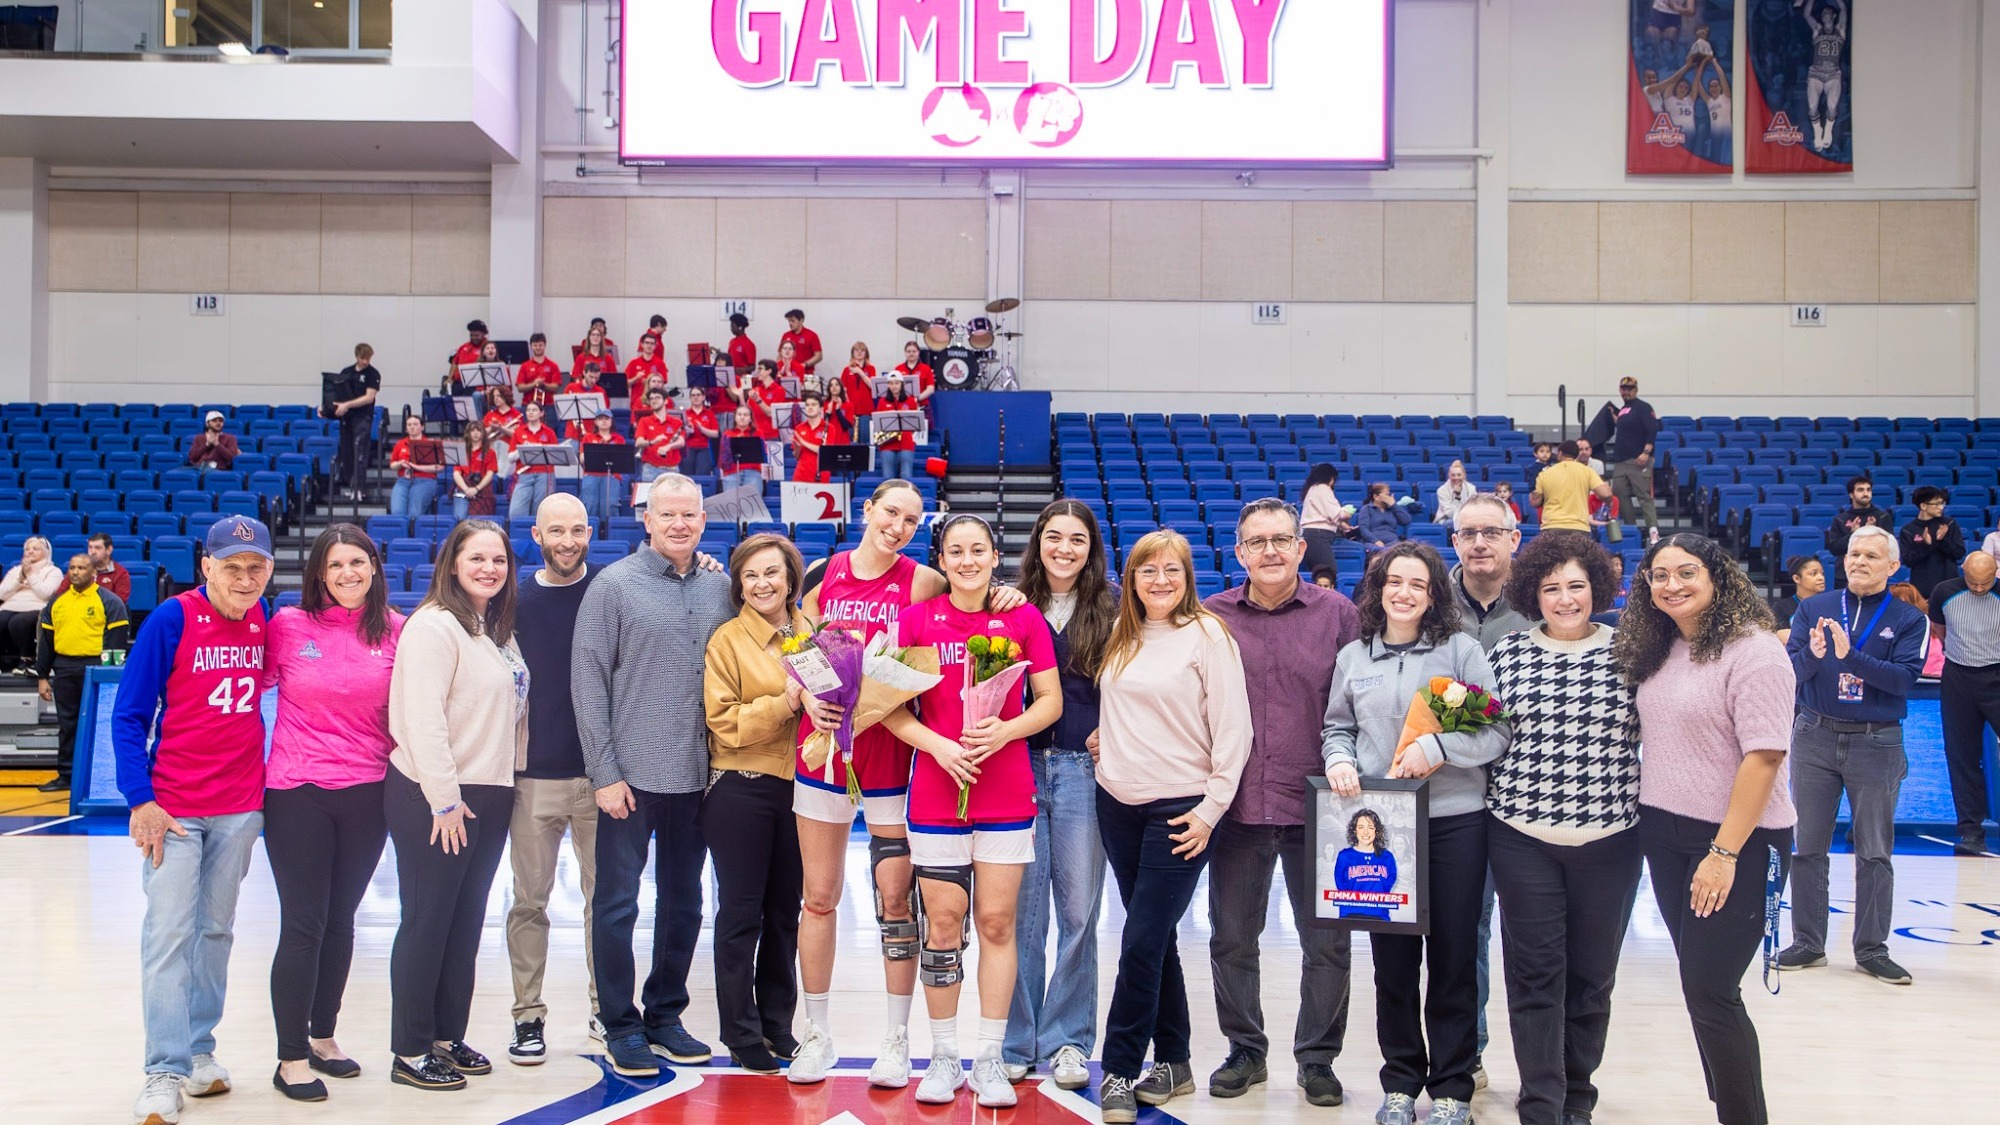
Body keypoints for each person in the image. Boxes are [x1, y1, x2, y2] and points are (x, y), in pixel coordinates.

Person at [1320, 542, 1511, 1125]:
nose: (1404, 593)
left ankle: (1453, 1086)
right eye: (1393, 582)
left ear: (1434, 595)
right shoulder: (1356, 656)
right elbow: (1338, 727)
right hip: (1384, 832)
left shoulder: (1457, 651)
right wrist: (1338, 759)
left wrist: (1439, 745)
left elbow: (1496, 731)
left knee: (1454, 957)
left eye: (1417, 584)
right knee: (1393, 963)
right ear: (1378, 590)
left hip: (1455, 824)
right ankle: (1401, 1082)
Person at [1612, 533, 1795, 1125]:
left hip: (1738, 840)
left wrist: (1723, 852)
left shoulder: (1756, 651)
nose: (1672, 585)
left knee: (1714, 991)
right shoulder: (1659, 646)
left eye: (1686, 572)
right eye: (1658, 575)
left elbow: (1764, 757)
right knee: (1699, 989)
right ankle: (1727, 1102)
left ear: (1718, 577)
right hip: (1663, 832)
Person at [882, 515, 1062, 1108]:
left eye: (977, 550)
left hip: (1005, 788)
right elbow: (890, 709)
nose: (966, 560)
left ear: (993, 556)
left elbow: (1051, 703)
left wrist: (1004, 730)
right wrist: (939, 746)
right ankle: (942, 1056)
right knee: (941, 923)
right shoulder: (915, 620)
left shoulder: (1021, 617)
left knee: (996, 923)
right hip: (936, 789)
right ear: (943, 558)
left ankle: (989, 1056)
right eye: (955, 551)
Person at [788, 480, 962, 1089]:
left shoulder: (923, 581)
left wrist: (1007, 593)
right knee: (818, 896)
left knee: (895, 901)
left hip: (890, 759)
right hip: (824, 756)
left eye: (912, 520)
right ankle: (816, 1033)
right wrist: (808, 696)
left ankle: (896, 1038)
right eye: (891, 512)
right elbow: (796, 656)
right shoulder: (822, 571)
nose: (899, 525)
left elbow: (968, 612)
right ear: (866, 510)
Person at [113, 516, 275, 1125]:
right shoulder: (171, 620)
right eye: (231, 566)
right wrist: (140, 799)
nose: (244, 578)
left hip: (239, 807)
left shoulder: (264, 621)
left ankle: (199, 1052)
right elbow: (129, 716)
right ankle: (162, 1070)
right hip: (174, 810)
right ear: (206, 566)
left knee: (215, 934)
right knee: (168, 937)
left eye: (254, 567)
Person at [1202, 498, 1362, 1107]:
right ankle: (1246, 1048)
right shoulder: (1211, 616)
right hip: (1237, 804)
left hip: (1321, 807)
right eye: (1256, 541)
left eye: (1281, 540)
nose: (1270, 551)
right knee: (1231, 938)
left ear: (1301, 547)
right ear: (1239, 552)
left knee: (1327, 944)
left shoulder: (1338, 614)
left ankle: (1317, 1058)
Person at [575, 473, 734, 1077]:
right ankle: (620, 1024)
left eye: (689, 515)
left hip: (698, 777)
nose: (679, 525)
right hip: (630, 779)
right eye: (667, 515)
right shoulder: (613, 586)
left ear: (701, 519)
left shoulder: (721, 587)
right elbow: (588, 680)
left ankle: (665, 1013)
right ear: (647, 519)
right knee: (616, 905)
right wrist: (604, 773)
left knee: (685, 902)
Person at [1091, 529, 1252, 1125]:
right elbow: (1124, 705)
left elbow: (1235, 731)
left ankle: (1120, 1070)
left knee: (1138, 942)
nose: (1159, 581)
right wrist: (1108, 739)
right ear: (1131, 579)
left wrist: (1211, 810)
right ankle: (1177, 1060)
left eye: (1172, 571)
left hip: (1180, 809)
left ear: (1188, 579)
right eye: (1147, 571)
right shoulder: (1122, 633)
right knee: (1152, 938)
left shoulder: (1208, 635)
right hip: (1117, 802)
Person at [1486, 534, 1642, 1125]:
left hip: (1611, 838)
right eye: (1551, 588)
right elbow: (1488, 734)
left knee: (1592, 977)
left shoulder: (1632, 649)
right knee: (1534, 974)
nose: (1565, 598)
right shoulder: (1508, 652)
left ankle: (1578, 1094)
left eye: (1576, 585)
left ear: (1596, 588)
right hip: (1521, 835)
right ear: (1533, 593)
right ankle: (1541, 1101)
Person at [260, 526, 404, 1102]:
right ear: (319, 573)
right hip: (299, 791)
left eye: (357, 562)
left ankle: (323, 1037)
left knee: (341, 920)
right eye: (335, 564)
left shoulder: (398, 629)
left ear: (374, 567)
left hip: (369, 794)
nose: (347, 573)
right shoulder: (289, 627)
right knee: (303, 923)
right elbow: (246, 689)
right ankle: (290, 1058)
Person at [384, 520, 527, 1092]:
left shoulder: (495, 629)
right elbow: (422, 720)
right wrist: (443, 800)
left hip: (490, 793)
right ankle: (411, 1049)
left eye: (498, 559)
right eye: (477, 558)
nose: (489, 568)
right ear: (452, 563)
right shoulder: (434, 627)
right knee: (427, 920)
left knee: (464, 924)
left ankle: (446, 1034)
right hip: (437, 796)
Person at [1779, 526, 1927, 986]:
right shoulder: (1814, 608)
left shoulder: (1907, 619)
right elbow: (1789, 674)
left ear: (1892, 567)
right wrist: (1814, 656)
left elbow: (1904, 680)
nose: (1858, 560)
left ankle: (1871, 949)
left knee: (1875, 851)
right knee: (1807, 846)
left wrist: (1850, 658)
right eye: (1853, 553)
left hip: (1876, 740)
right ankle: (1807, 942)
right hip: (1814, 735)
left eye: (1870, 555)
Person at [1004, 501, 1119, 1092]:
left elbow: (1136, 683)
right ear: (1038, 542)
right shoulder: (1010, 602)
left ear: (1091, 547)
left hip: (1082, 772)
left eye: (1077, 539)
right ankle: (1016, 1040)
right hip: (1017, 767)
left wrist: (1116, 727)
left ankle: (1069, 1041)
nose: (1065, 549)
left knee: (1079, 913)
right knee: (1022, 916)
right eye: (1054, 537)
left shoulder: (1115, 605)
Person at [702, 534, 812, 1074]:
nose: (763, 584)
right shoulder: (728, 640)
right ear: (739, 584)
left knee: (785, 915)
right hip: (741, 788)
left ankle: (778, 1024)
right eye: (751, 575)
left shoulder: (810, 634)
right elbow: (723, 722)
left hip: (801, 792)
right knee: (741, 915)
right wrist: (784, 702)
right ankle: (740, 1032)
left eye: (773, 573)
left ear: (791, 577)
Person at [506, 495, 604, 1065]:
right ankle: (527, 1018)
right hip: (531, 777)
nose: (566, 540)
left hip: (600, 778)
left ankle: (604, 1008)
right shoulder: (512, 596)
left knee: (605, 904)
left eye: (576, 530)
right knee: (528, 904)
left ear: (589, 532)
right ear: (538, 534)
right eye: (555, 531)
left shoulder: (611, 590)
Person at [1447, 494, 1529, 1085]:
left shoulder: (1544, 602)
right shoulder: (1427, 603)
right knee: (1466, 930)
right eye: (1468, 533)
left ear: (1513, 538)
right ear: (1455, 541)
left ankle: (1540, 1057)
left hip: (1529, 794)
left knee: (1531, 935)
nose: (1480, 543)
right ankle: (1469, 1051)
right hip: (1457, 797)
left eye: (1491, 532)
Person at [34, 553, 129, 792]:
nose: (76, 572)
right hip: (64, 668)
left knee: (102, 724)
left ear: (93, 572)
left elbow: (117, 640)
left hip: (96, 668)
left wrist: (110, 674)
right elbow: (45, 641)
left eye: (81, 568)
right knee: (67, 725)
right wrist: (42, 676)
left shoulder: (109, 601)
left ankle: (102, 778)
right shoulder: (57, 603)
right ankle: (66, 775)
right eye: (72, 568)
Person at [1931, 552, 2000, 855]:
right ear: (1963, 573)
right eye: (1973, 582)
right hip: (1958, 676)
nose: (1979, 588)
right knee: (1961, 756)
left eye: (1986, 583)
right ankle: (1971, 832)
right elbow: (1939, 630)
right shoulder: (1944, 592)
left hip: (1996, 673)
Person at [1607, 376, 1661, 545]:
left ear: (1636, 390)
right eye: (1624, 388)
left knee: (1643, 495)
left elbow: (1652, 430)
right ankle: (1632, 527)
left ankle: (1653, 531)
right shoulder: (1624, 410)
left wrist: (1646, 451)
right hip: (1621, 461)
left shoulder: (1643, 407)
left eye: (1630, 388)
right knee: (1619, 494)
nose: (1626, 391)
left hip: (1638, 460)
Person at [0, 536, 64, 674]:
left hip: (37, 606)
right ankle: (5, 660)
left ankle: (26, 658)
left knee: (18, 623)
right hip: (10, 605)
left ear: (46, 552)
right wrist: (20, 578)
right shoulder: (16, 570)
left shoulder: (53, 571)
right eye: (27, 549)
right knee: (2, 619)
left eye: (35, 549)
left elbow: (45, 594)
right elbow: (2, 593)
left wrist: (30, 576)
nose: (30, 551)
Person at [328, 344, 381, 502]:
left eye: (368, 358)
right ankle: (351, 485)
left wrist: (348, 405)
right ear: (356, 356)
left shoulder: (373, 373)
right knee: (346, 452)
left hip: (362, 417)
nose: (365, 361)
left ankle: (359, 488)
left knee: (360, 452)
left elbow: (369, 397)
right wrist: (328, 408)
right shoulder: (347, 372)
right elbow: (338, 394)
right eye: (362, 358)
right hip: (347, 418)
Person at [1530, 442, 1614, 536]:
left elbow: (1535, 502)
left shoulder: (1545, 473)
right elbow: (1605, 493)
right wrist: (1608, 502)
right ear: (1576, 455)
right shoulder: (1587, 471)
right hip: (1578, 527)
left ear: (1560, 453)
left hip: (1551, 526)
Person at [1898, 486, 1965, 601]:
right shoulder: (1908, 530)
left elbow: (1959, 553)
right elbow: (1908, 560)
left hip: (1949, 586)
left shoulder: (1949, 524)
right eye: (1937, 504)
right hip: (1922, 589)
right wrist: (1926, 545)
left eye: (1942, 503)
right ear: (1923, 506)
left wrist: (1941, 541)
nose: (1941, 507)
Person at [1331, 811, 1396, 920]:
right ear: (1354, 830)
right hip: (1350, 912)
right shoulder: (1344, 856)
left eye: (1370, 827)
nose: (1366, 832)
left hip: (1379, 913)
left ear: (1377, 831)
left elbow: (1391, 878)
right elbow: (1339, 881)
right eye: (1361, 827)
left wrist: (1379, 893)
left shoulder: (1387, 856)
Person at [507, 401, 560, 519]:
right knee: (516, 512)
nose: (530, 412)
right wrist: (523, 449)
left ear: (541, 413)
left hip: (545, 474)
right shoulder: (519, 431)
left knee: (541, 512)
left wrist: (537, 447)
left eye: (534, 410)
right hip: (524, 474)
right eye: (528, 410)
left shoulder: (549, 432)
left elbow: (556, 455)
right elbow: (510, 458)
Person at [579, 411, 629, 528]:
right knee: (589, 506)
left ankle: (611, 534)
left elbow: (623, 459)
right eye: (601, 419)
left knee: (611, 506)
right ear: (596, 422)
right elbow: (582, 459)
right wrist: (598, 449)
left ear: (611, 421)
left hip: (611, 476)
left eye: (607, 418)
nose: (604, 421)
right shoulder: (588, 437)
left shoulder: (619, 439)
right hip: (591, 475)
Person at [1299, 464, 1350, 575]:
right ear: (1331, 478)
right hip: (1317, 536)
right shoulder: (1322, 488)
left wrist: (1343, 526)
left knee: (1322, 574)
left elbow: (1325, 515)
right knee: (1328, 574)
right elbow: (1337, 514)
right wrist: (1348, 513)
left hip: (1312, 535)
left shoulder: (1313, 489)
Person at [1827, 475, 1891, 563]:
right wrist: (1853, 534)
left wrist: (1871, 534)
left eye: (1868, 490)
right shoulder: (1840, 519)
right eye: (1860, 490)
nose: (1866, 494)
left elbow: (1889, 548)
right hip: (1845, 572)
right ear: (1851, 495)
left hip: (1873, 571)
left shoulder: (1883, 517)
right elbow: (1834, 549)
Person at [387, 415, 442, 518]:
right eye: (409, 425)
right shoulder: (400, 443)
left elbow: (439, 467)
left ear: (422, 427)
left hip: (425, 479)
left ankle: (413, 533)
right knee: (397, 512)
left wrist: (415, 467)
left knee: (415, 513)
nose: (412, 427)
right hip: (403, 480)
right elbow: (392, 465)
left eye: (415, 424)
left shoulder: (430, 443)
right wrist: (400, 464)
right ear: (406, 428)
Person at [872, 372, 921, 482]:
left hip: (906, 443)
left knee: (906, 476)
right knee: (888, 478)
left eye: (897, 383)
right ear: (888, 385)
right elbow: (879, 424)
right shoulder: (882, 402)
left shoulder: (910, 401)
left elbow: (914, 424)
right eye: (891, 383)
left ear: (902, 384)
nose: (894, 386)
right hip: (887, 444)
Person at [1769, 555, 1826, 645]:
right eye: (1813, 574)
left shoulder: (1829, 604)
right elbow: (1784, 636)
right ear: (1796, 578)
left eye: (1822, 573)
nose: (1821, 578)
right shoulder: (1782, 607)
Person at [633, 387, 685, 484]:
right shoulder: (644, 421)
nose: (654, 400)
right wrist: (652, 442)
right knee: (650, 498)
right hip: (650, 468)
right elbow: (638, 442)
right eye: (651, 399)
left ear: (665, 401)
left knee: (671, 498)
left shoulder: (676, 422)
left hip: (672, 469)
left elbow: (681, 442)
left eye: (657, 397)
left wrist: (668, 446)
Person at [789, 391, 843, 484]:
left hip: (820, 475)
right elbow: (797, 457)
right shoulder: (799, 428)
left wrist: (803, 442)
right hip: (800, 475)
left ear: (821, 408)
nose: (810, 407)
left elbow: (826, 451)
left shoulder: (829, 428)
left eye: (813, 404)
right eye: (807, 405)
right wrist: (797, 448)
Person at [451, 424, 498, 520]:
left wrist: (476, 489)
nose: (475, 433)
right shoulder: (461, 451)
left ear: (483, 433)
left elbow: (490, 474)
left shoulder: (490, 452)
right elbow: (456, 474)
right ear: (468, 433)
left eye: (478, 430)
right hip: (463, 489)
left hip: (482, 489)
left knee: (480, 521)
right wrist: (466, 489)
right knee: (460, 519)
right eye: (472, 430)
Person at [720, 404, 767, 493]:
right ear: (735, 417)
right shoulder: (727, 434)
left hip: (753, 472)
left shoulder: (758, 433)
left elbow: (763, 454)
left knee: (752, 502)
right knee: (730, 503)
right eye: (739, 414)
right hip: (731, 472)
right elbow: (722, 458)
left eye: (745, 415)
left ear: (750, 419)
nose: (742, 417)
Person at [1355, 482, 1413, 549]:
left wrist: (1394, 505)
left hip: (1393, 542)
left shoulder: (1393, 508)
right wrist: (1375, 541)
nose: (1389, 497)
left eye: (1389, 494)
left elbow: (1406, 520)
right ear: (1376, 497)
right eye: (1387, 495)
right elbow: (1363, 529)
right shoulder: (1366, 509)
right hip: (1373, 542)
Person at [625, 333, 670, 413]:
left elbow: (663, 384)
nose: (649, 346)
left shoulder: (660, 363)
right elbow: (624, 384)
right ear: (642, 344)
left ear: (655, 346)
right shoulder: (633, 363)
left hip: (656, 404)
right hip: (637, 404)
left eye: (652, 343)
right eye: (647, 343)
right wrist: (636, 378)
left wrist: (650, 382)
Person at [516, 332, 563, 408]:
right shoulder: (524, 366)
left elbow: (556, 387)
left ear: (545, 345)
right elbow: (520, 388)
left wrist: (543, 385)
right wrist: (534, 384)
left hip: (549, 405)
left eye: (540, 345)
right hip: (528, 405)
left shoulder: (553, 365)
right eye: (535, 345)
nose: (538, 348)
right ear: (531, 346)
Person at [681, 386, 720, 478]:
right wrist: (689, 431)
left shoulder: (709, 413)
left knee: (702, 476)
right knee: (687, 476)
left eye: (698, 395)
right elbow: (680, 435)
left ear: (703, 397)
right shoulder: (685, 414)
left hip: (704, 448)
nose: (696, 397)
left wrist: (702, 429)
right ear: (690, 398)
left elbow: (716, 434)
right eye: (693, 395)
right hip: (688, 448)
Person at [88, 531, 133, 605]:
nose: (92, 552)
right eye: (90, 547)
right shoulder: (80, 569)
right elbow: (63, 594)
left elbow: (119, 603)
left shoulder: (120, 573)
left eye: (97, 548)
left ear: (109, 550)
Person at [448, 319, 488, 393]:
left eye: (476, 335)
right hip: (458, 384)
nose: (473, 338)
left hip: (476, 386)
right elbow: (455, 363)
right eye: (471, 335)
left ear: (483, 334)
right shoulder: (463, 347)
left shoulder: (488, 347)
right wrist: (449, 378)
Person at [781, 307, 825, 373]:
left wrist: (804, 365)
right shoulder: (786, 335)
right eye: (789, 321)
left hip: (806, 373)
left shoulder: (812, 335)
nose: (790, 323)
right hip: (787, 373)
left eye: (793, 321)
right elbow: (780, 354)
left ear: (801, 320)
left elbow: (818, 356)